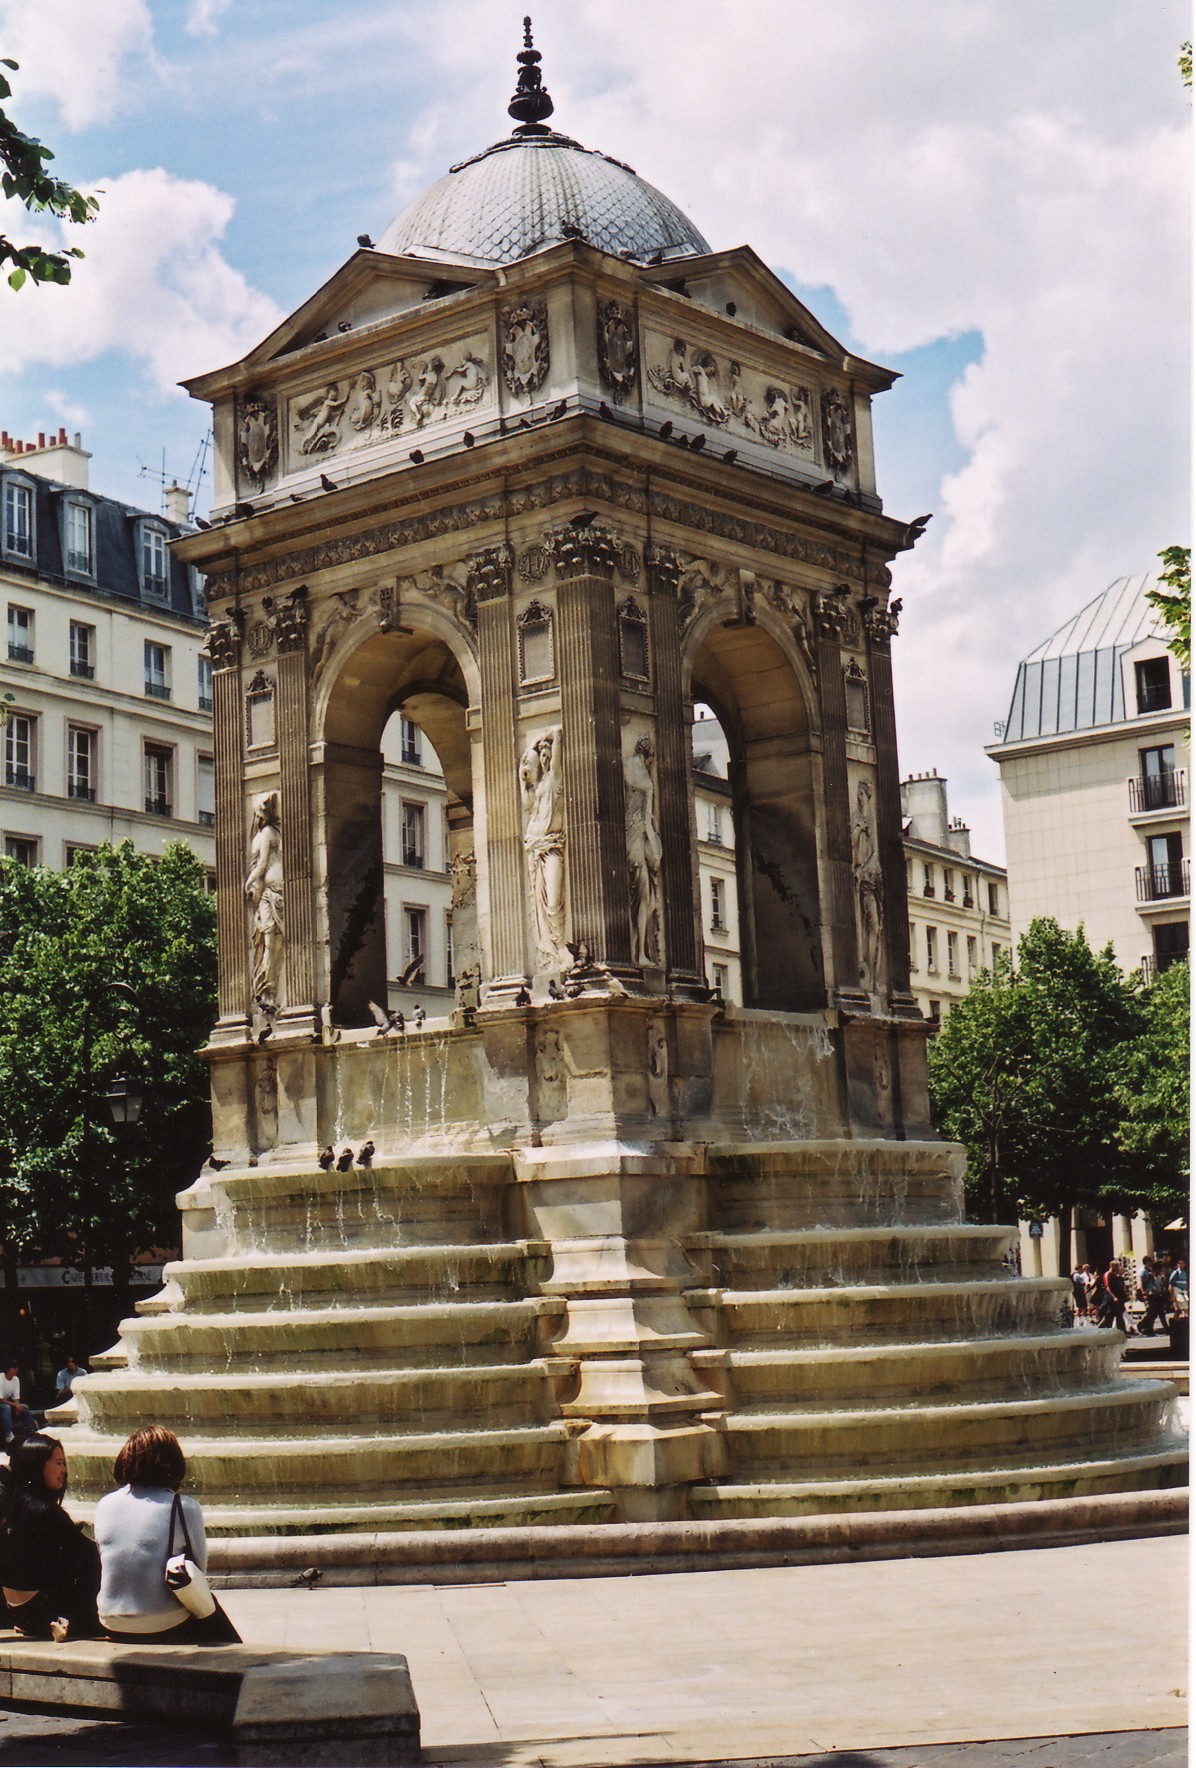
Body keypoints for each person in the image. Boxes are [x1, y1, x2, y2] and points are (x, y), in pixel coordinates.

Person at [95, 1426, 241, 1644]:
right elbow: (197, 1572)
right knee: (211, 1609)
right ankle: (241, 1661)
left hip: (110, 1620)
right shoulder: (183, 1507)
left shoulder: (104, 1504)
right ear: (173, 1463)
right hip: (164, 1625)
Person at [0, 1435, 100, 1639]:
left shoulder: (13, 1506)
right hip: (44, 1613)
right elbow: (89, 1556)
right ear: (37, 1465)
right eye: (58, 1463)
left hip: (18, 1613)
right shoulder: (45, 1512)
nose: (64, 1470)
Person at [0, 1358, 33, 1447]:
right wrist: (14, 1405)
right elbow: (1, 1399)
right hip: (2, 1403)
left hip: (6, 1403)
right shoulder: (0, 1378)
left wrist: (17, 1406)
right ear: (8, 1369)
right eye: (14, 1368)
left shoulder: (16, 1379)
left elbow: (16, 1398)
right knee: (6, 1408)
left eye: (17, 1368)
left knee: (24, 1407)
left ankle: (30, 1433)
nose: (16, 1370)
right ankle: (9, 1435)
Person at [1097, 1258, 1130, 1334]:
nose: (1118, 1268)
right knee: (1109, 1316)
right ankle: (1099, 1330)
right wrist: (1114, 1297)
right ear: (1112, 1266)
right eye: (1116, 1266)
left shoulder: (1114, 1275)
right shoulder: (1107, 1274)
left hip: (1118, 1298)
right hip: (1111, 1299)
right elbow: (1107, 1287)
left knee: (1119, 1316)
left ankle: (1122, 1332)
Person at [1139, 1261, 1171, 1337]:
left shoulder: (1160, 1277)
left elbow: (1161, 1286)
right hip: (1151, 1297)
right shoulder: (1150, 1276)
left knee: (1160, 1313)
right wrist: (1145, 1293)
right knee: (1152, 1313)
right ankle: (1147, 1328)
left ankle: (1166, 1329)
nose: (1161, 1271)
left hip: (1159, 1297)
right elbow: (1147, 1286)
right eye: (1160, 1270)